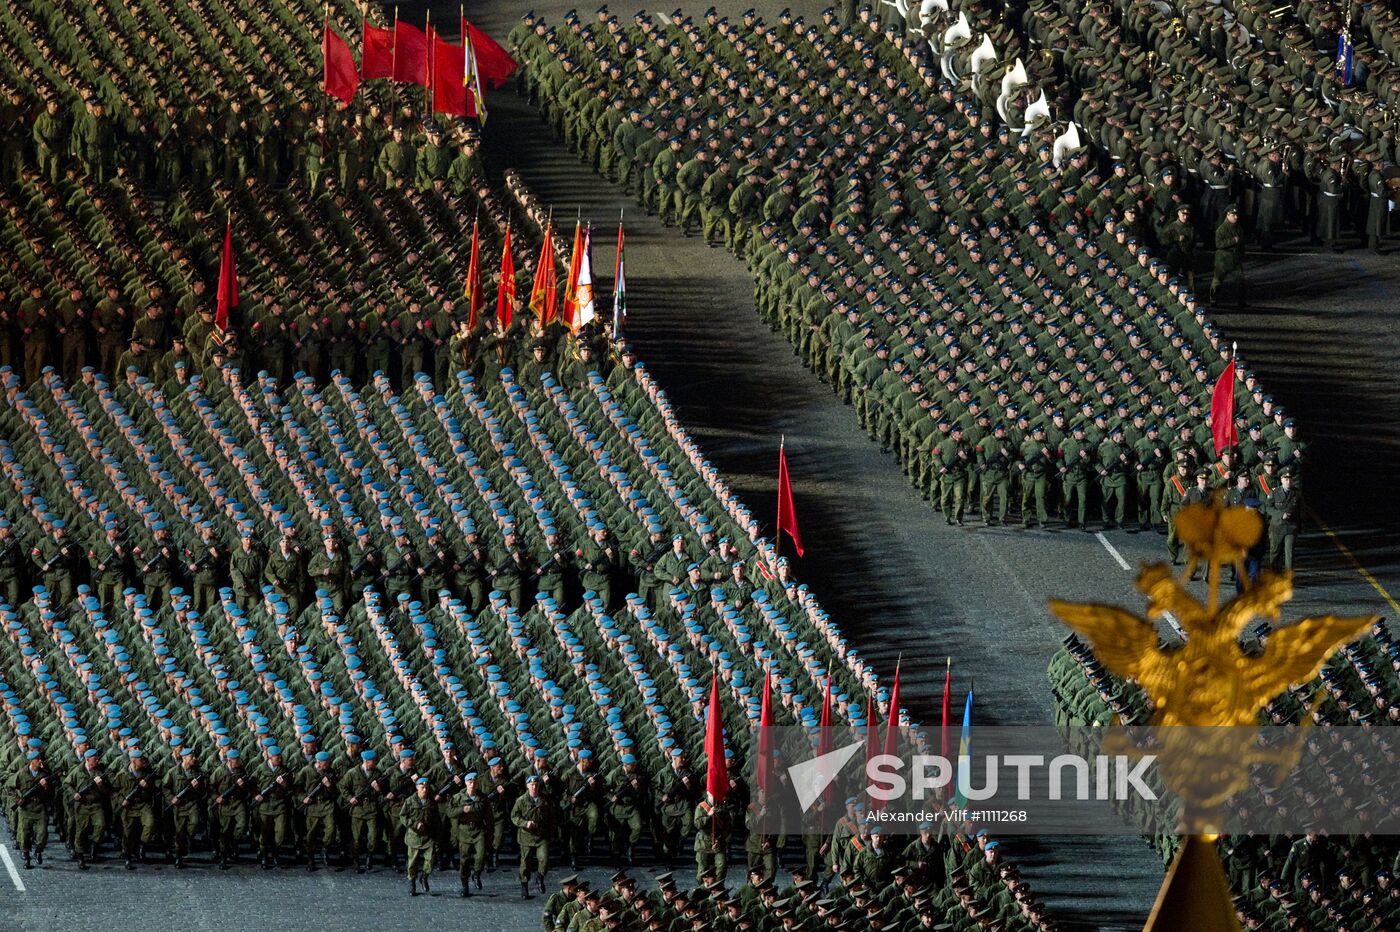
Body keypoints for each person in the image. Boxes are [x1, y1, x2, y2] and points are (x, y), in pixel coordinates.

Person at [512, 773, 556, 899]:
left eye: (536, 785)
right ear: (527, 786)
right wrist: (525, 823)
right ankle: (524, 885)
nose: (534, 787)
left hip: (542, 835)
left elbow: (551, 817)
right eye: (532, 785)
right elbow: (514, 816)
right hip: (526, 836)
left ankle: (540, 877)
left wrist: (552, 833)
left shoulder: (545, 800)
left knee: (544, 859)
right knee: (525, 862)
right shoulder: (521, 801)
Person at [11, 750, 54, 869]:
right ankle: (27, 858)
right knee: (24, 835)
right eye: (37, 759)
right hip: (26, 809)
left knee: (42, 834)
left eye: (40, 759)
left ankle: (38, 850)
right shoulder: (21, 774)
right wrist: (17, 800)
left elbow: (52, 793)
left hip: (40, 808)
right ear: (31, 761)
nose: (40, 761)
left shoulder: (44, 774)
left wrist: (46, 787)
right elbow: (9, 788)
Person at [452, 771, 492, 897]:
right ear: (465, 783)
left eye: (474, 782)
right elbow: (450, 812)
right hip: (464, 831)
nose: (472, 784)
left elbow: (489, 816)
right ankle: (465, 885)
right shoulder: (458, 797)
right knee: (464, 861)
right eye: (470, 782)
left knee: (480, 856)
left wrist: (490, 832)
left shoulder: (483, 797)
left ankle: (476, 874)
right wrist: (461, 809)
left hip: (478, 830)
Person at [401, 776, 441, 895]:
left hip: (428, 837)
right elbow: (403, 816)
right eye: (422, 787)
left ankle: (424, 876)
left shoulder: (431, 801)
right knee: (412, 863)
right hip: (414, 837)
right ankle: (412, 883)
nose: (424, 790)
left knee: (430, 861)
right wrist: (414, 824)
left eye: (426, 787)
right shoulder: (409, 801)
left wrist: (437, 836)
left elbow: (436, 819)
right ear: (417, 787)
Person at [1265, 467, 1302, 571]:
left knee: (1289, 553)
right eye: (1286, 479)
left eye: (1290, 479)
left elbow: (1301, 510)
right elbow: (1268, 507)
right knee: (1275, 551)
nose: (1288, 481)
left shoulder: (1296, 493)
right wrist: (1281, 514)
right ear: (1281, 480)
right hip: (1277, 526)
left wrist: (1300, 526)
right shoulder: (1274, 492)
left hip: (1291, 527)